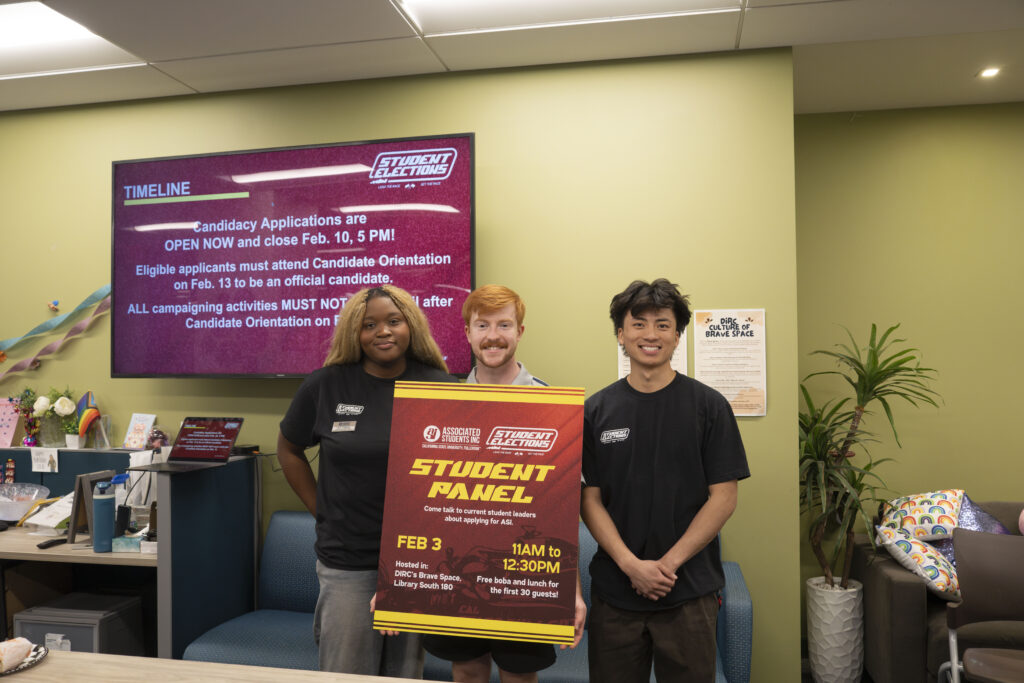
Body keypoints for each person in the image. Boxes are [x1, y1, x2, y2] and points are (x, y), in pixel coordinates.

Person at [277, 284, 455, 676]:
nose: (384, 332)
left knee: (404, 674)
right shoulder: (326, 384)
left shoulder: (441, 386)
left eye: (394, 321)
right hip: (349, 562)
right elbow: (288, 450)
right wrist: (320, 510)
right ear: (353, 333)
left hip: (417, 561)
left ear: (411, 325)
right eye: (369, 324)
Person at [580, 278, 750, 682]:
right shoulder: (595, 410)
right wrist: (631, 566)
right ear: (620, 334)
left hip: (688, 592)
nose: (650, 334)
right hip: (616, 594)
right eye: (638, 324)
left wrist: (665, 566)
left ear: (677, 335)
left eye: (662, 324)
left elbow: (723, 498)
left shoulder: (709, 406)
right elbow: (589, 500)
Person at [423, 284, 587, 683]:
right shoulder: (440, 406)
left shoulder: (553, 406)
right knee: (466, 672)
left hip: (525, 575)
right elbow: (422, 503)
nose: (493, 335)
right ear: (467, 332)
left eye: (504, 324)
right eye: (482, 325)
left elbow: (563, 512)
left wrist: (574, 591)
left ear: (520, 331)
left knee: (518, 675)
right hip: (460, 574)